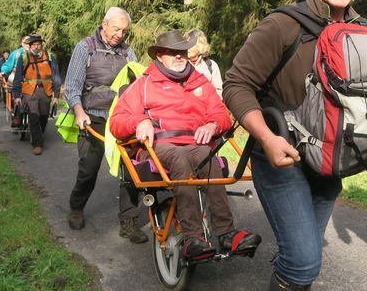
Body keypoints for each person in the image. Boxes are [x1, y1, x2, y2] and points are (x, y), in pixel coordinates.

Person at [223, 0, 367, 290]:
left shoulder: (360, 32)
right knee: (302, 263)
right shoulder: (283, 25)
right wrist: (267, 139)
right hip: (281, 159)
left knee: (306, 258)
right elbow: (236, 85)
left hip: (331, 164)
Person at [110, 30, 261, 259]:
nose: (179, 56)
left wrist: (212, 126)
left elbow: (222, 115)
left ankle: (226, 233)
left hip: (195, 144)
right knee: (179, 157)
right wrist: (139, 121)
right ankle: (193, 237)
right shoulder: (143, 85)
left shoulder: (200, 82)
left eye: (182, 51)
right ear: (159, 56)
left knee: (205, 155)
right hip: (158, 145)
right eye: (173, 52)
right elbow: (117, 121)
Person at [64, 7, 147, 244]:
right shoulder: (85, 48)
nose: (120, 34)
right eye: (116, 29)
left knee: (131, 170)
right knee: (88, 168)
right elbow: (71, 86)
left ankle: (128, 222)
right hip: (93, 117)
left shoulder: (128, 52)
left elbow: (138, 84)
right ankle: (77, 208)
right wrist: (79, 112)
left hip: (121, 119)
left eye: (124, 31)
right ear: (104, 24)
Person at [12, 34, 61, 155]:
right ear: (30, 46)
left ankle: (38, 134)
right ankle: (37, 144)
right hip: (29, 91)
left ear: (42, 45)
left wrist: (56, 95)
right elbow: (18, 77)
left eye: (38, 44)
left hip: (46, 90)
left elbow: (56, 77)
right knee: (34, 115)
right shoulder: (23, 57)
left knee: (44, 116)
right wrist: (17, 95)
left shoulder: (49, 57)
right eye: (34, 45)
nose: (36, 47)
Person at [184, 28, 223, 98]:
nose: (187, 48)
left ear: (200, 46)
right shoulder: (180, 65)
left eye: (191, 45)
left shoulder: (211, 65)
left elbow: (219, 91)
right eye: (186, 44)